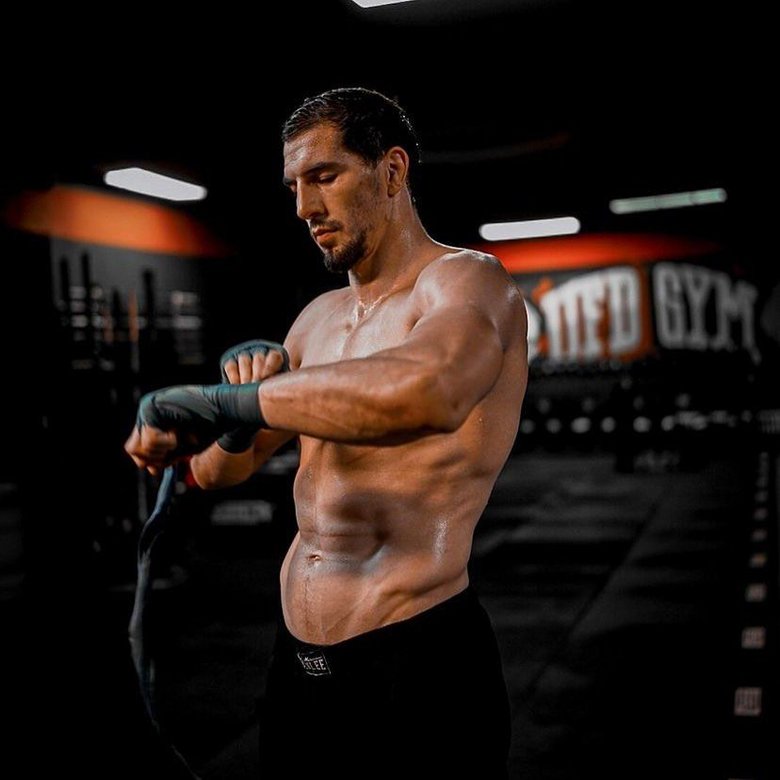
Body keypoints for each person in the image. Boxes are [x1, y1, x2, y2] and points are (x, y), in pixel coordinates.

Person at [125, 87, 529, 778]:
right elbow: (224, 470)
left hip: (417, 662)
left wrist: (229, 399)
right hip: (297, 667)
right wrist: (212, 426)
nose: (304, 208)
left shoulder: (466, 283)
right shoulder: (315, 318)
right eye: (294, 187)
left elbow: (431, 391)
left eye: (324, 176)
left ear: (392, 170)